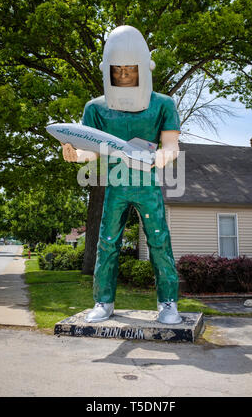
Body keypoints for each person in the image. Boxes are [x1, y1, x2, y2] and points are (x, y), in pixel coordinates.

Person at [62, 25, 182, 324]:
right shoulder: (96, 109)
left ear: (144, 67)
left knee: (159, 242)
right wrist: (77, 155)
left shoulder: (163, 104)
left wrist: (159, 158)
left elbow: (171, 145)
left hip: (147, 185)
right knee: (106, 243)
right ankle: (103, 302)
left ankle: (168, 303)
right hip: (115, 185)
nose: (125, 75)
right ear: (108, 70)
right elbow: (92, 150)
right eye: (119, 70)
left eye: (131, 69)